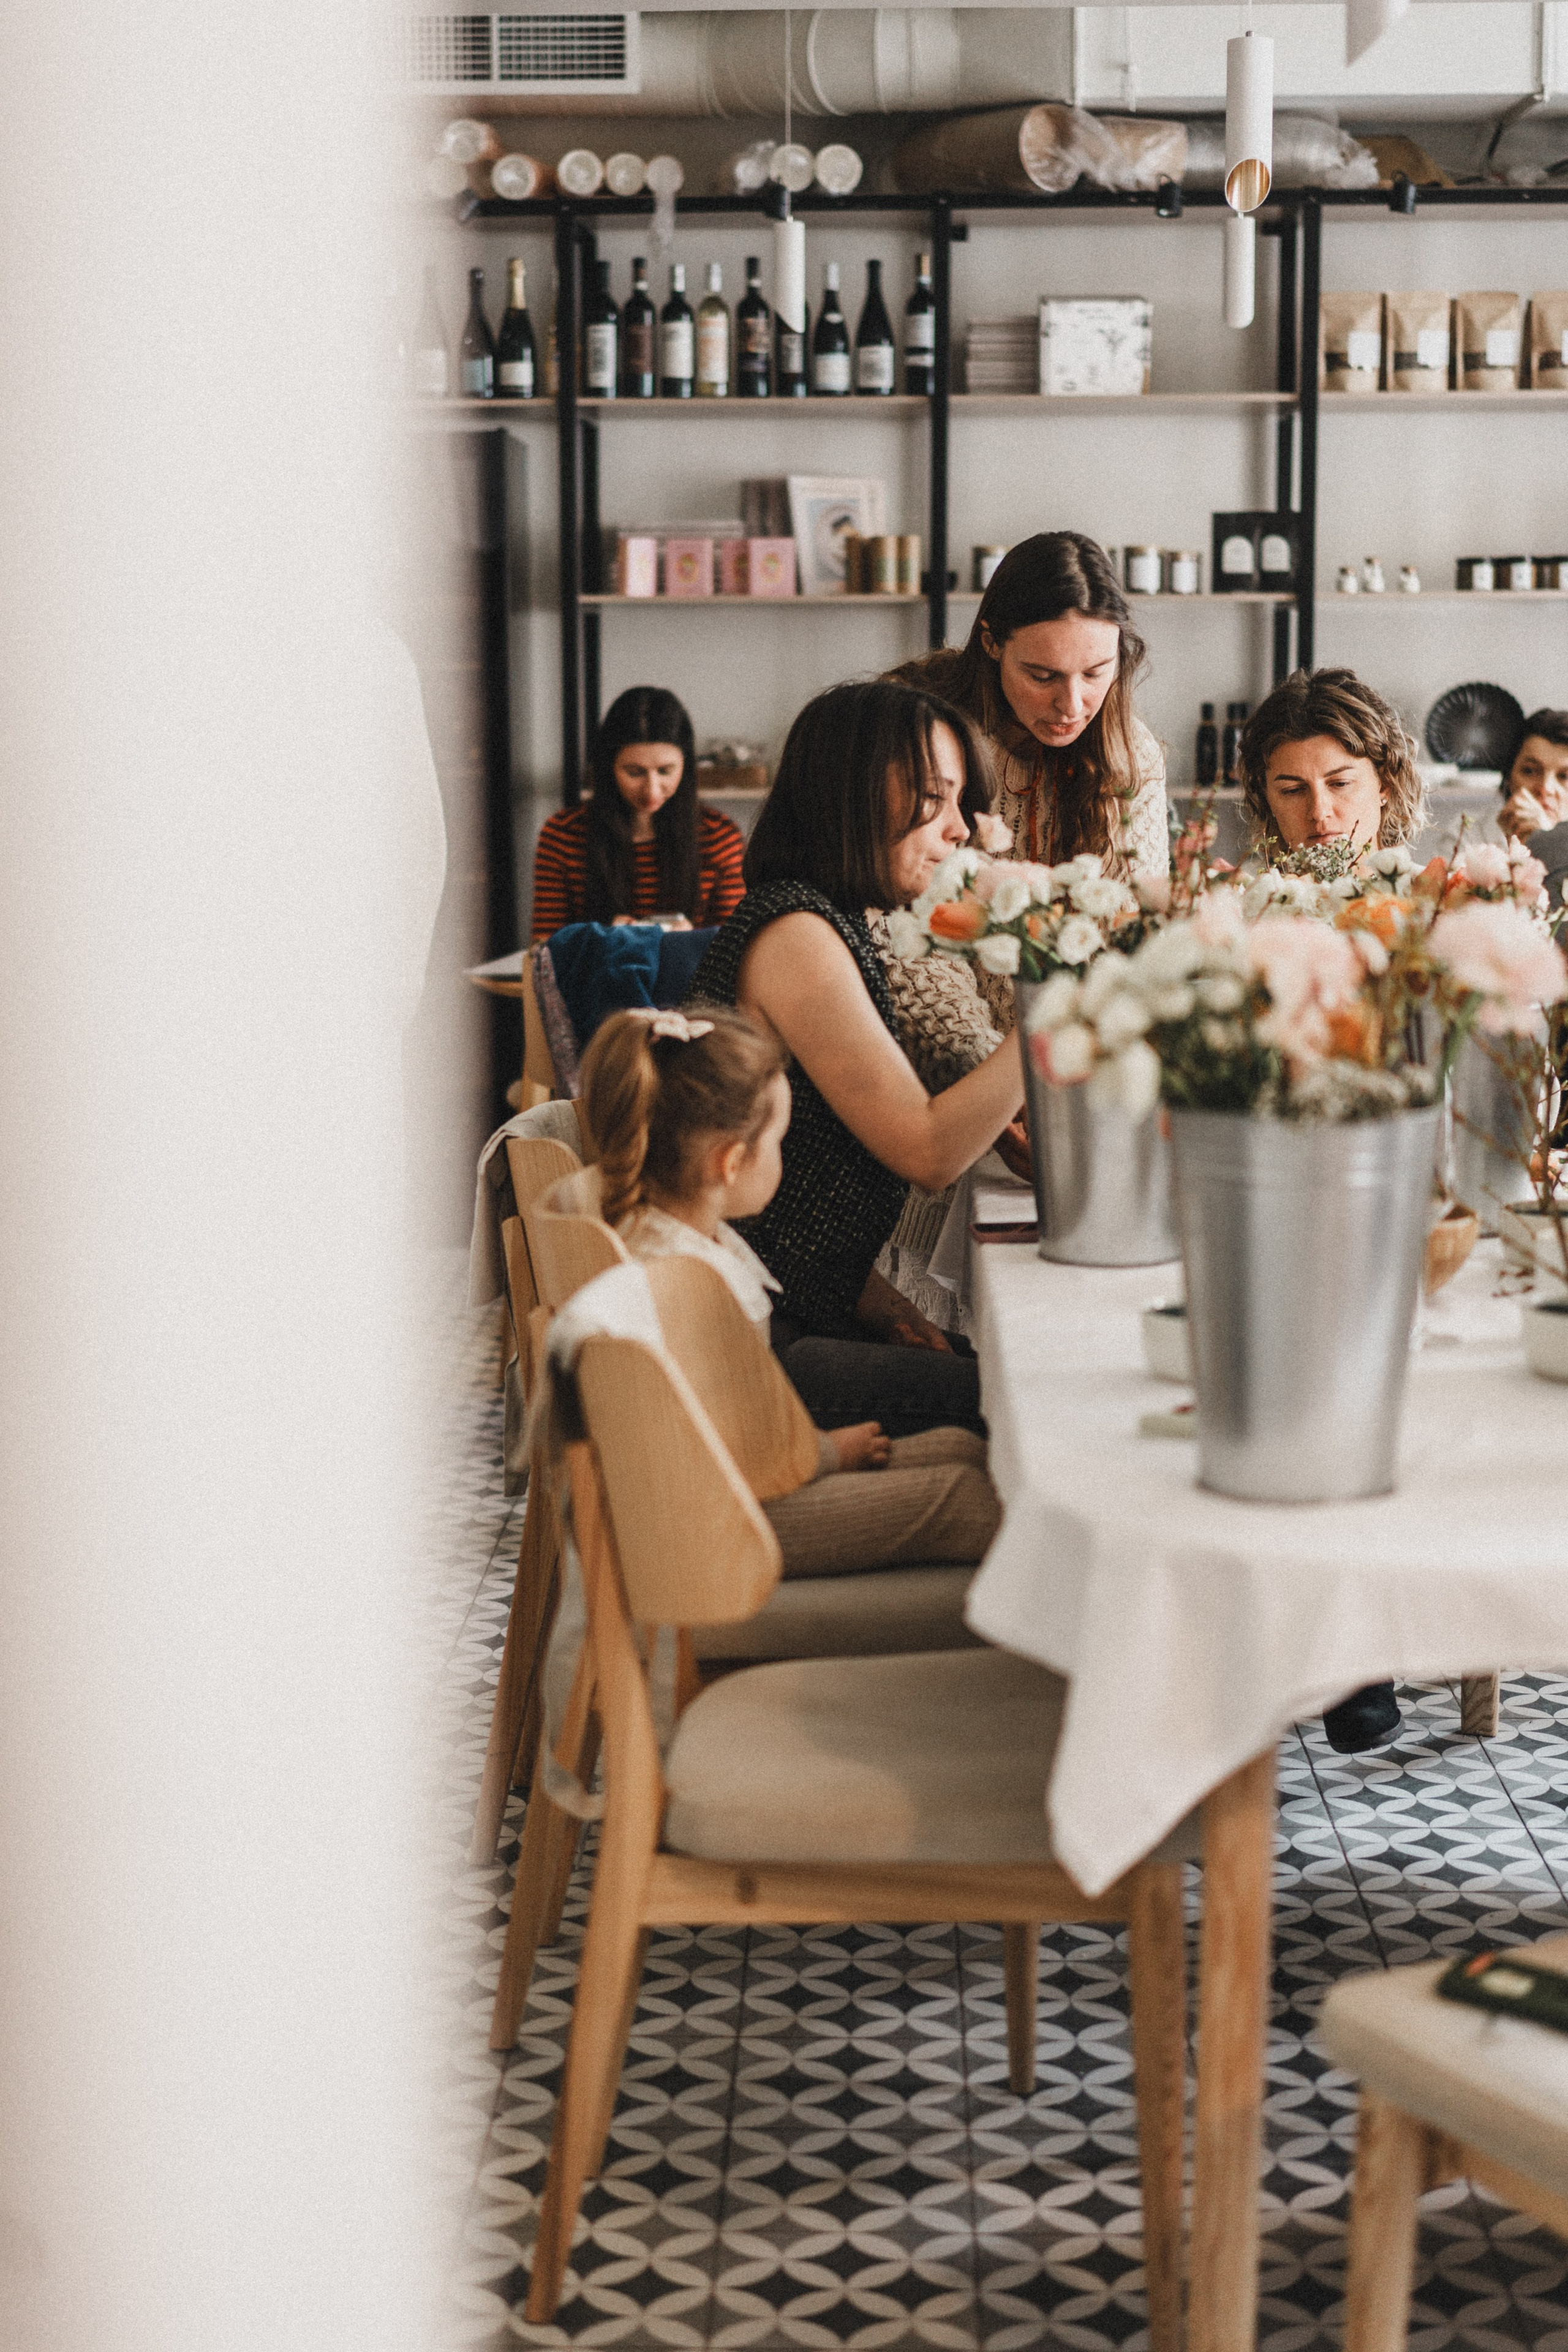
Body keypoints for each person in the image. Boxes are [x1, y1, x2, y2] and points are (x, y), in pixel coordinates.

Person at [690, 679, 1026, 1438]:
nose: (958, 831)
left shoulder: (825, 921)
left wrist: (877, 1301)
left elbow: (787, 1204)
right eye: (933, 799)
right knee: (1030, 1408)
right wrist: (1051, 1008)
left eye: (960, 801)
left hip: (793, 1309)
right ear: (852, 795)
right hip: (751, 1350)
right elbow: (930, 1151)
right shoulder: (796, 934)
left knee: (1016, 1374)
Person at [562, 1001, 1000, 1578]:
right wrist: (827, 1453)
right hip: (719, 1525)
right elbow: (736, 1448)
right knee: (965, 1498)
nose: (783, 1162)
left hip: (721, 1486)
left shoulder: (669, 1235)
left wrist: (820, 1450)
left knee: (964, 1449)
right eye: (779, 1144)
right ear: (731, 1162)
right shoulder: (691, 1284)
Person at [891, 530, 1170, 881]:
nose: (1071, 706)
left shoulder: (1134, 753)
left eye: (1094, 673)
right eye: (1042, 676)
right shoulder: (911, 727)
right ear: (992, 644)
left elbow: (1139, 914)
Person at [529, 685, 745, 942]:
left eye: (665, 771)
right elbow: (543, 949)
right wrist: (602, 939)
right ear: (609, 767)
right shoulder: (564, 835)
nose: (651, 790)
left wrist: (690, 941)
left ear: (686, 767)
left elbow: (737, 945)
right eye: (635, 772)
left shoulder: (718, 836)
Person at [1238, 667, 1425, 856]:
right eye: (1293, 790)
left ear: (1385, 782)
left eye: (1340, 784)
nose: (1319, 813)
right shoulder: (1241, 885)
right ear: (1266, 795)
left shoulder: (1441, 885)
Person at [1498, 707, 1568, 915]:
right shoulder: (1469, 833)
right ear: (1509, 777)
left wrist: (1545, 839)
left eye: (1564, 776)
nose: (1546, 788)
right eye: (1530, 771)